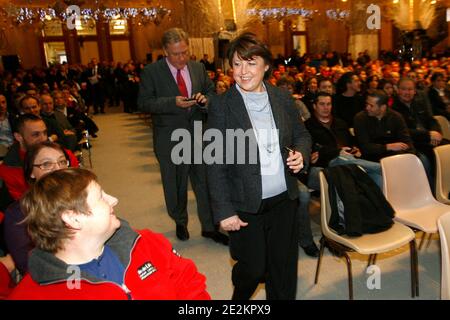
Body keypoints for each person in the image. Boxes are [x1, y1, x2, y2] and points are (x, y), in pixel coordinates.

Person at [207, 32, 312, 300]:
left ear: (266, 66)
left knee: (283, 270)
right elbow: (215, 162)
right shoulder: (221, 105)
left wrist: (301, 153)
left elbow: (302, 135)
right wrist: (224, 211)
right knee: (253, 269)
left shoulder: (282, 98)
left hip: (283, 199)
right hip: (245, 204)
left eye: (251, 63)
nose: (243, 71)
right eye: (237, 63)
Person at [8, 168, 210, 300]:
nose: (113, 200)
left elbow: (191, 287)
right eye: (101, 198)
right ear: (73, 218)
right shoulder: (33, 294)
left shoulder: (146, 242)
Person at [138, 28, 227, 245]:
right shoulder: (152, 72)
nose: (182, 58)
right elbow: (143, 103)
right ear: (166, 51)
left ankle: (209, 226)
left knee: (204, 181)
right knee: (175, 184)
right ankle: (180, 220)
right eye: (176, 54)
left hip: (198, 134)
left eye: (185, 52)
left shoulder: (197, 68)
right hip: (169, 137)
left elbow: (211, 92)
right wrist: (172, 102)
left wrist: (205, 100)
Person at [4, 141, 73, 275]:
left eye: (62, 162)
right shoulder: (18, 213)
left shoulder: (82, 196)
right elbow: (27, 264)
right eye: (46, 164)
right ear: (31, 173)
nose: (58, 169)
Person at [354, 90, 416, 162]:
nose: (367, 108)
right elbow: (365, 147)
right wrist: (387, 147)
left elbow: (407, 141)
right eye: (366, 104)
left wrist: (411, 157)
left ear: (383, 107)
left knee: (421, 160)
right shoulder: (360, 118)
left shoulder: (396, 117)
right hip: (371, 158)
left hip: (395, 156)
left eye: (371, 106)